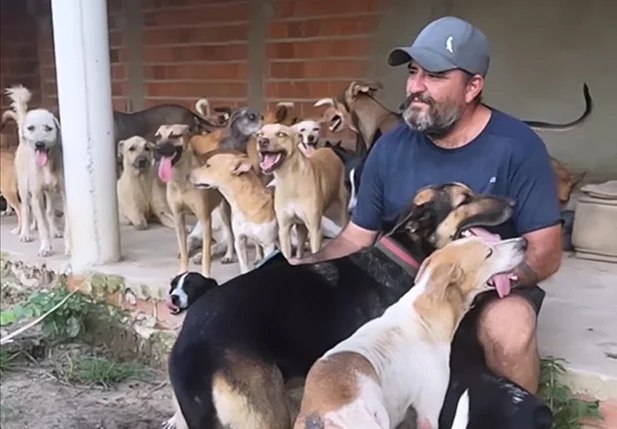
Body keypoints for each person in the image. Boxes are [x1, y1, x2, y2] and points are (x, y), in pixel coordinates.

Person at [289, 16, 563, 394]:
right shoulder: (389, 148)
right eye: (413, 72)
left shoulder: (517, 146)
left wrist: (485, 280)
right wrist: (305, 267)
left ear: (472, 87)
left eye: (434, 76)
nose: (416, 87)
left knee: (509, 328)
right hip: (407, 288)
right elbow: (356, 238)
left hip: (490, 285)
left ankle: (518, 416)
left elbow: (546, 251)